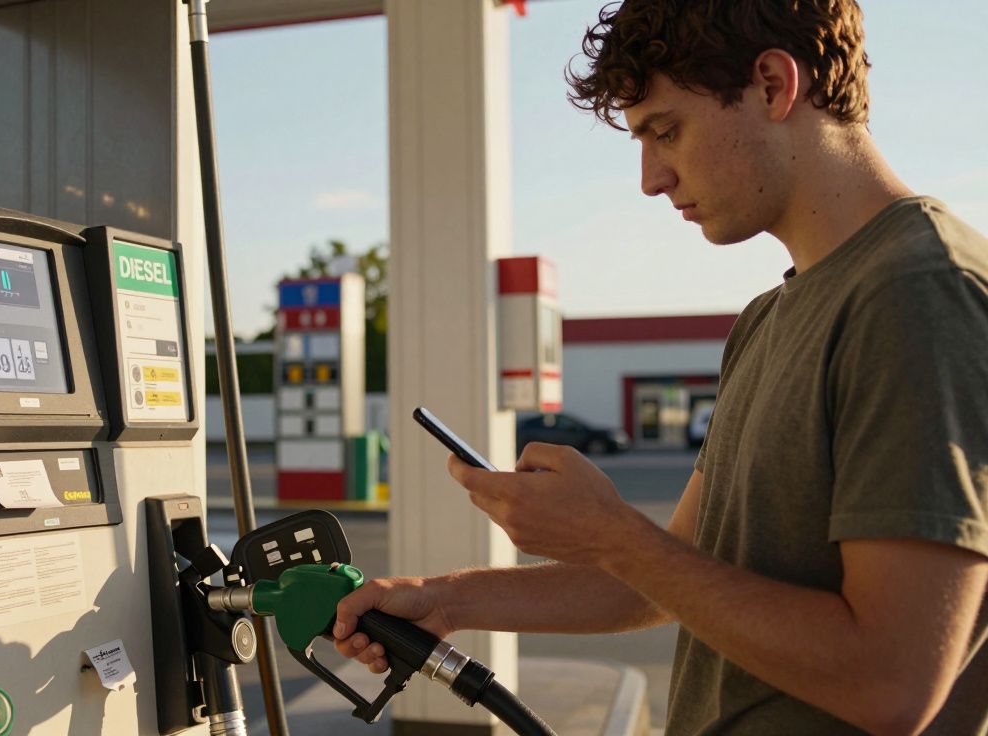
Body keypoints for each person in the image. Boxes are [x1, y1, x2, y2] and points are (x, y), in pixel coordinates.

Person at [332, 2, 988, 733]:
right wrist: (444, 600)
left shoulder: (921, 292)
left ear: (773, 84)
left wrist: (615, 535)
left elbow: (892, 681)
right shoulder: (768, 319)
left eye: (665, 131)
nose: (650, 178)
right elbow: (661, 580)